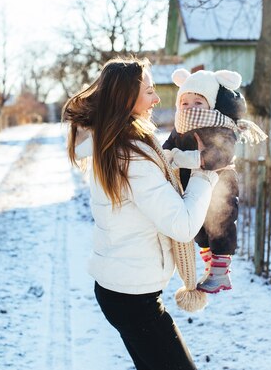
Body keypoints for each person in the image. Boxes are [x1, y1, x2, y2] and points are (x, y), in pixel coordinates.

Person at [62, 57, 219, 370]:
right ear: (127, 98)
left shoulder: (118, 143)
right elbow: (183, 224)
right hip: (132, 297)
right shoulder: (130, 156)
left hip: (123, 291)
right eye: (149, 91)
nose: (157, 98)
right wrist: (208, 173)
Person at [163, 68, 267, 294]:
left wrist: (188, 158)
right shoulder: (180, 128)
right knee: (200, 231)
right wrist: (165, 156)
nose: (190, 108)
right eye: (185, 103)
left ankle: (221, 274)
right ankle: (211, 268)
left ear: (211, 104)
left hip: (221, 187)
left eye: (198, 103)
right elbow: (167, 149)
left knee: (220, 226)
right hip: (193, 189)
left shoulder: (221, 126)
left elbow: (220, 156)